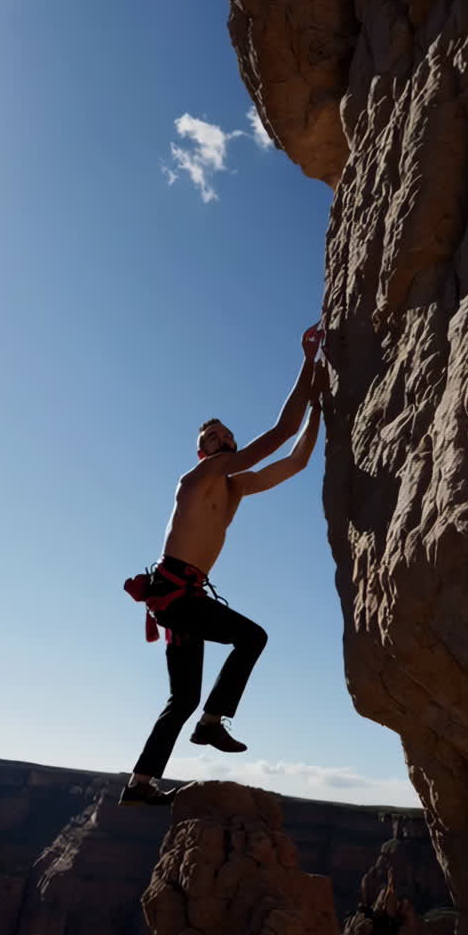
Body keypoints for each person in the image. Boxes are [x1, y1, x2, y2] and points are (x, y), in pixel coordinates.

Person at [119, 326, 326, 806]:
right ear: (203, 451)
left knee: (181, 700)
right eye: (214, 438)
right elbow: (279, 433)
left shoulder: (234, 488)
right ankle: (212, 724)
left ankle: (140, 784)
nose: (224, 439)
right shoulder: (199, 476)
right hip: (176, 593)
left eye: (226, 434)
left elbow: (293, 461)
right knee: (252, 637)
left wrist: (320, 410)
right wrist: (310, 363)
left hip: (181, 601)